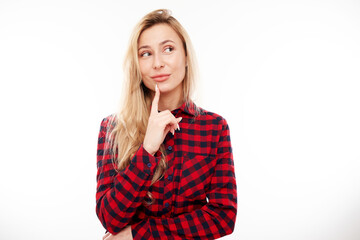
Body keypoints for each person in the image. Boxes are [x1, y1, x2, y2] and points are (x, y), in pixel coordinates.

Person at [96, 9, 237, 240]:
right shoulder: (113, 128)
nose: (158, 63)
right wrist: (147, 150)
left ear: (186, 57)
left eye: (168, 49)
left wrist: (137, 234)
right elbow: (110, 218)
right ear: (137, 65)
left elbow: (223, 217)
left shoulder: (214, 128)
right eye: (145, 54)